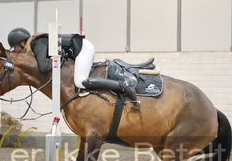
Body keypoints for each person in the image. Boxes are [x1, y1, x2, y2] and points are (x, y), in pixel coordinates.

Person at [7, 27, 140, 109]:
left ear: (22, 43)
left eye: (15, 48)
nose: (16, 51)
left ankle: (122, 86)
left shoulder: (37, 43)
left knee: (80, 81)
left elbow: (44, 67)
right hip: (80, 49)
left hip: (83, 49)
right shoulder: (36, 43)